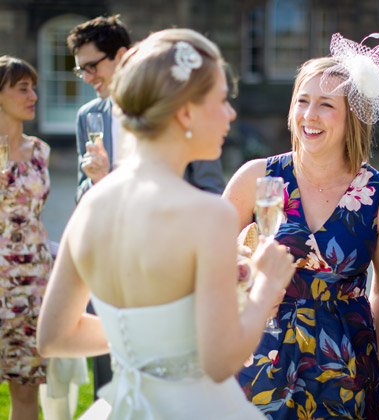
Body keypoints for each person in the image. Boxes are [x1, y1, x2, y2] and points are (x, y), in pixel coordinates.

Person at [37, 28, 294, 419]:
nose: (231, 113)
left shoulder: (91, 205)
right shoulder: (210, 214)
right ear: (186, 112)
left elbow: (53, 336)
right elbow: (220, 362)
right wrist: (266, 287)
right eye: (222, 100)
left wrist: (144, 339)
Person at [224, 33, 379, 419]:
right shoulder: (255, 178)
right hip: (258, 355)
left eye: (326, 105)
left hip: (343, 369)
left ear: (353, 115)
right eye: (302, 101)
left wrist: (364, 362)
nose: (309, 115)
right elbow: (209, 261)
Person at [68, 15, 226, 204]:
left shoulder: (170, 107)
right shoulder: (87, 116)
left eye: (92, 67)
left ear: (121, 56)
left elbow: (213, 189)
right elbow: (81, 199)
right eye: (81, 71)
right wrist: (95, 180)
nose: (86, 78)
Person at [0, 56, 52, 420]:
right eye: (23, 88)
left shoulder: (40, 152)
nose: (33, 95)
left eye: (33, 87)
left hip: (33, 286)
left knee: (25, 389)